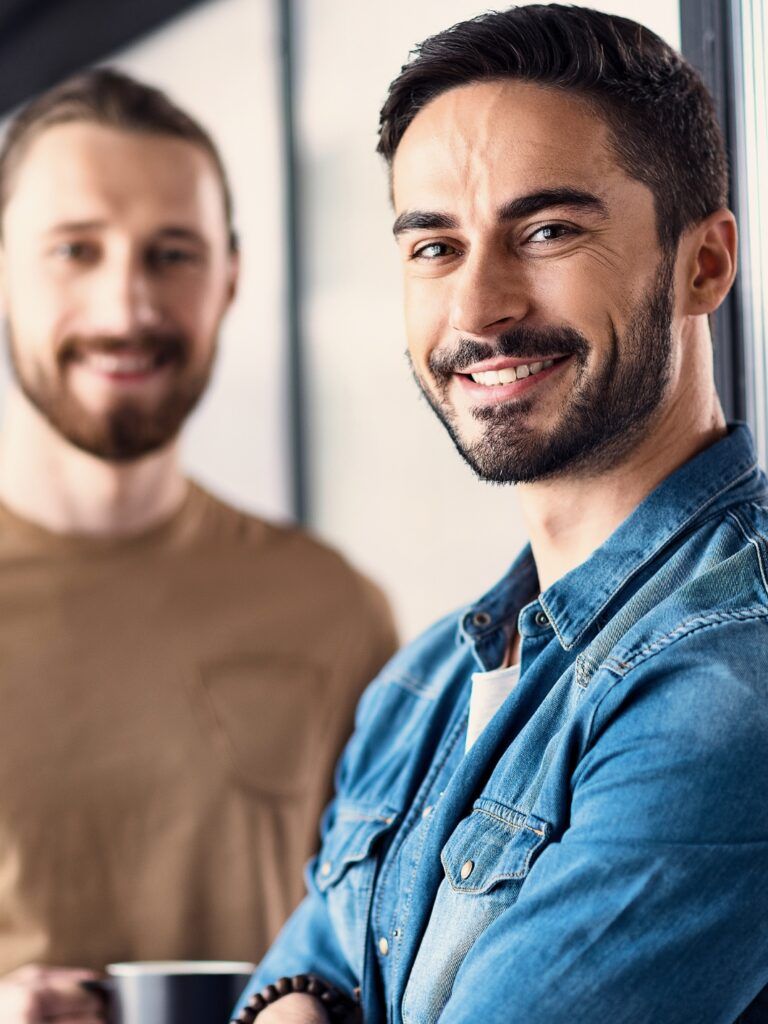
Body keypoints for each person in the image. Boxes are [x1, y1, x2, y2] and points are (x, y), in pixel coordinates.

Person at [233, 5, 768, 1023]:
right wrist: (299, 995)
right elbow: (295, 977)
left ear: (704, 263)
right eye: (434, 247)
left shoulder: (732, 677)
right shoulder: (423, 683)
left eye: (547, 230)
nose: (478, 310)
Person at [0, 68, 397, 1024]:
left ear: (231, 277)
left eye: (170, 253)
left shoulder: (335, 609)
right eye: (75, 250)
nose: (127, 307)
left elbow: (389, 942)